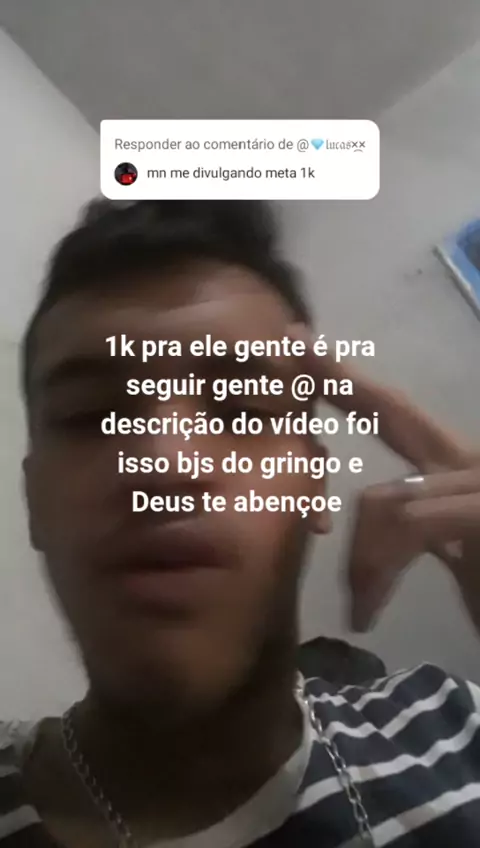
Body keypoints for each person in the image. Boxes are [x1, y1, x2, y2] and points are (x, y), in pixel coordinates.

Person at [1, 199, 479, 847]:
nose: (166, 465)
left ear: (315, 486)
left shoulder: (458, 727)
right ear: (33, 499)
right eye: (90, 415)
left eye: (241, 408)